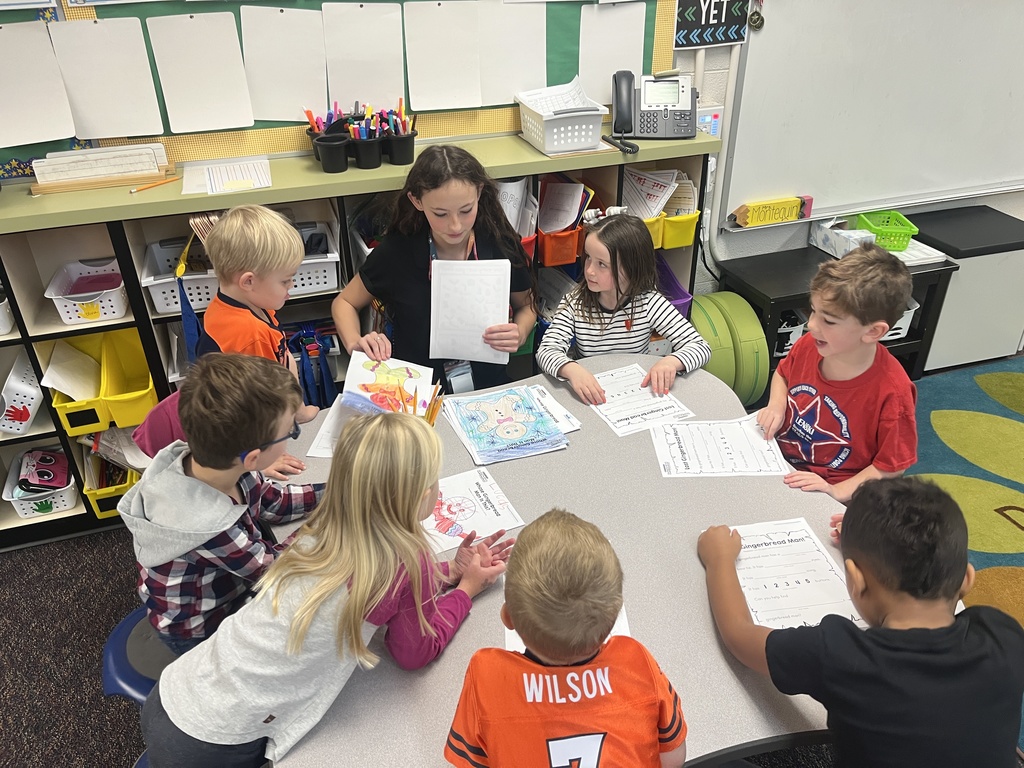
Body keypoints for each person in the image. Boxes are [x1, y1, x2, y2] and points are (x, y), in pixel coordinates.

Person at [140, 412, 510, 767]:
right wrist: (465, 590)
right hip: (216, 742)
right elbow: (414, 653)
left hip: (174, 693)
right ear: (421, 494)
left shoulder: (319, 528)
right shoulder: (407, 562)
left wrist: (446, 573)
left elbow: (382, 589)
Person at [697, 477, 1024, 768]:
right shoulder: (1004, 635)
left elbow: (739, 636)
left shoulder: (841, 656)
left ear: (855, 580)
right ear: (967, 579)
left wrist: (719, 560)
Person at [444, 508, 687, 768]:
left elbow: (472, 763)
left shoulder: (487, 676)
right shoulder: (637, 663)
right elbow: (673, 758)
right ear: (612, 620)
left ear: (507, 617)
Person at [119, 353, 324, 655]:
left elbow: (274, 503)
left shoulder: (220, 464)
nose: (293, 435)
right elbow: (278, 570)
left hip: (223, 585)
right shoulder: (209, 525)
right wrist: (333, 522)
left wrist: (336, 492)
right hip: (199, 630)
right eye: (291, 431)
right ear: (254, 457)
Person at [332, 144, 536, 392]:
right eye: (440, 213)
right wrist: (356, 343)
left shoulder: (498, 242)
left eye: (466, 210)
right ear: (416, 201)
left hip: (488, 385)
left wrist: (521, 331)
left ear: (480, 192)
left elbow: (526, 305)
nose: (455, 226)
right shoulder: (399, 251)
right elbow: (344, 302)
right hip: (418, 388)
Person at [756, 244, 917, 513]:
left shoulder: (893, 392)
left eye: (828, 321)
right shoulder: (811, 343)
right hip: (779, 462)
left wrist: (836, 491)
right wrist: (776, 405)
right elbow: (783, 374)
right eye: (813, 311)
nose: (811, 325)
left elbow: (891, 467)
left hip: (834, 494)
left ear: (873, 331)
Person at [535, 214, 711, 405]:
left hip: (634, 392)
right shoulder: (576, 302)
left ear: (631, 268)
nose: (589, 271)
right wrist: (571, 370)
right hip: (591, 392)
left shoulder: (649, 303)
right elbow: (546, 350)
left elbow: (700, 347)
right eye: (588, 259)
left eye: (602, 264)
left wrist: (671, 362)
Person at [201, 203, 319, 428]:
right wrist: (267, 455)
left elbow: (282, 361)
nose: (291, 285)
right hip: (249, 430)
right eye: (285, 280)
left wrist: (300, 410)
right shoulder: (250, 336)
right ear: (248, 281)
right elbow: (264, 402)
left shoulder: (236, 304)